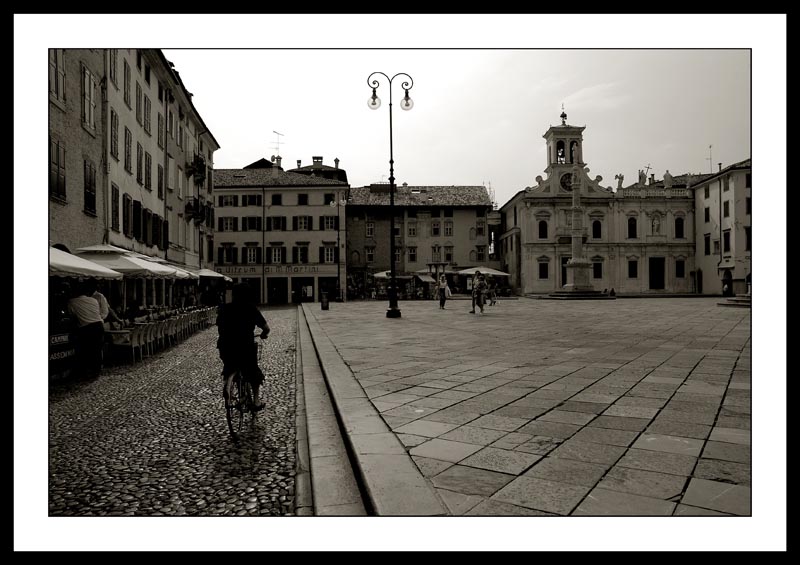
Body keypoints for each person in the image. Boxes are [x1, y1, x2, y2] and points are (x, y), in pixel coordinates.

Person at [216, 283, 270, 411]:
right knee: (253, 372)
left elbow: (219, 326)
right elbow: (266, 328)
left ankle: (228, 383)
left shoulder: (224, 308)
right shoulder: (250, 308)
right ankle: (256, 401)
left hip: (226, 346)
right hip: (245, 346)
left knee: (230, 366)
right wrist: (263, 334)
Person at [67, 279, 106, 379]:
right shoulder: (94, 300)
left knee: (85, 351)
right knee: (96, 350)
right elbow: (98, 313)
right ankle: (96, 372)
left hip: (86, 328)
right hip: (98, 326)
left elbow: (72, 317)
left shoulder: (72, 302)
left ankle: (85, 372)